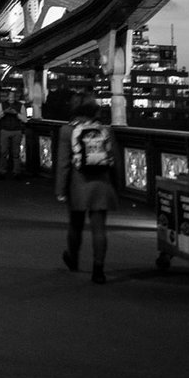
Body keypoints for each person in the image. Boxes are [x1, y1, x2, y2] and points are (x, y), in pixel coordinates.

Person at [55, 93, 118, 284]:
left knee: (75, 225)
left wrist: (60, 189)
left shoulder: (67, 131)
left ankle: (73, 258)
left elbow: (64, 164)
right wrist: (116, 186)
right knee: (99, 229)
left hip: (78, 184)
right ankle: (98, 270)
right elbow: (115, 161)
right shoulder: (106, 130)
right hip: (101, 184)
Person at [0, 90, 27, 179]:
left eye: (13, 96)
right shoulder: (2, 105)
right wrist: (4, 112)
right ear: (7, 97)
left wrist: (16, 114)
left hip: (16, 130)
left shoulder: (21, 106)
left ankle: (16, 172)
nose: (11, 98)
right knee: (3, 152)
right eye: (10, 96)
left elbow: (25, 119)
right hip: (5, 130)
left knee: (16, 152)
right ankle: (2, 171)